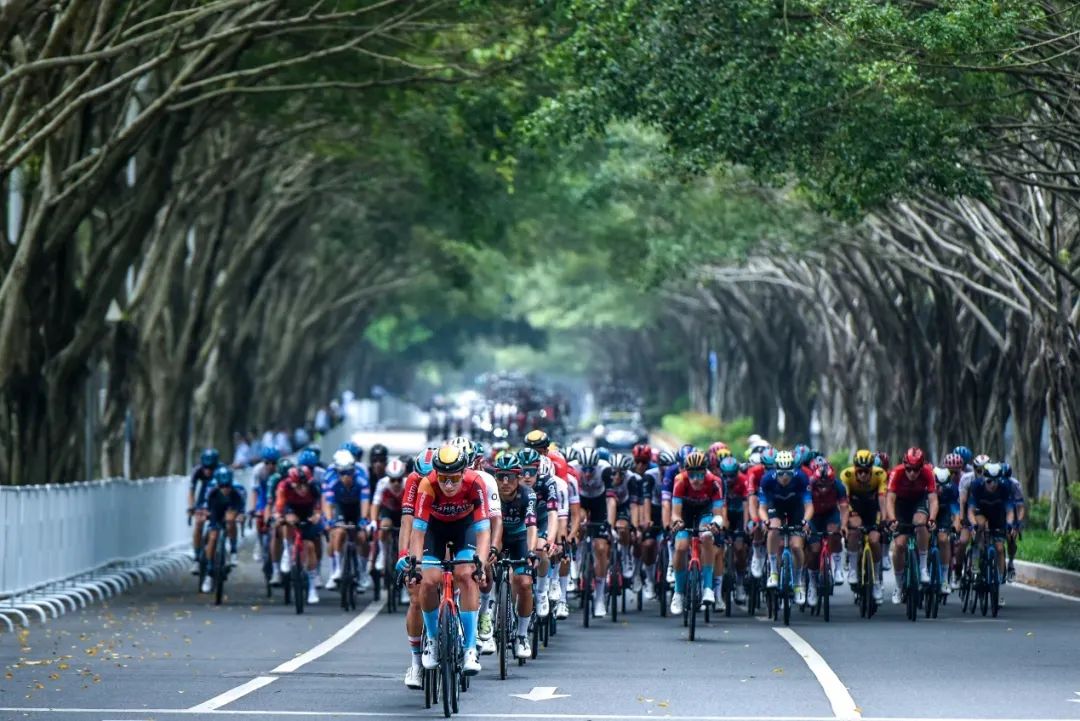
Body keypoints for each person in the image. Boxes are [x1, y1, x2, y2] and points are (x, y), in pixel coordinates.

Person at [410, 445, 490, 676]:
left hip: (464, 529)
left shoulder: (476, 484)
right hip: (435, 529)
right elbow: (418, 531)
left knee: (467, 575)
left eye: (454, 479)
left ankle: (469, 649)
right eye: (443, 478)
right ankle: (433, 641)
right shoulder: (427, 485)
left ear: (463, 472)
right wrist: (414, 565)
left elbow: (484, 531)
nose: (448, 485)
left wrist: (481, 564)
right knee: (427, 580)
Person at [493, 452, 539, 659]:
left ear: (518, 478)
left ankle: (521, 635)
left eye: (510, 477)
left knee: (525, 583)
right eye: (501, 476)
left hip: (520, 538)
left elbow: (531, 525)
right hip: (498, 536)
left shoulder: (528, 494)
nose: (505, 482)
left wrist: (530, 551)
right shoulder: (490, 493)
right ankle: (488, 611)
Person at [669, 451, 726, 614]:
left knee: (707, 537)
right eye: (692, 475)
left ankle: (708, 588)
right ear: (687, 472)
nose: (695, 479)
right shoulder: (679, 480)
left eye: (700, 475)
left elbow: (718, 514)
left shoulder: (714, 482)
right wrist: (678, 522)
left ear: (705, 472)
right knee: (680, 546)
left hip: (705, 512)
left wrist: (716, 524)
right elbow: (675, 513)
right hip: (685, 513)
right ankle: (678, 593)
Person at [758, 450, 812, 605]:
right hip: (776, 507)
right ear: (776, 471)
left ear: (793, 470)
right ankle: (774, 571)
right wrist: (765, 521)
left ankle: (798, 583)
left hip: (796, 509)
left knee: (796, 546)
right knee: (773, 528)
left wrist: (805, 521)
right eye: (781, 473)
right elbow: (762, 507)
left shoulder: (801, 477)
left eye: (788, 473)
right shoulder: (767, 479)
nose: (785, 477)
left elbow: (809, 506)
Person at [885, 447, 939, 604]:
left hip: (918, 501)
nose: (912, 473)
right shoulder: (897, 472)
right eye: (909, 469)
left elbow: (934, 500)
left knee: (921, 523)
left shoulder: (928, 472)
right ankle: (900, 585)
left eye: (916, 470)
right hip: (900, 505)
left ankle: (923, 567)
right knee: (899, 546)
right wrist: (893, 519)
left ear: (922, 467)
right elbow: (890, 500)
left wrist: (933, 519)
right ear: (904, 465)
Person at [839, 449, 886, 603]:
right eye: (860, 472)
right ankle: (853, 568)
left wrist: (884, 520)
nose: (863, 475)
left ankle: (877, 580)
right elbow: (844, 504)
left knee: (874, 540)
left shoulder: (880, 475)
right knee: (854, 531)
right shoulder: (847, 475)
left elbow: (882, 501)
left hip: (873, 510)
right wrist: (845, 523)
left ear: (872, 469)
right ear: (855, 469)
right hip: (855, 509)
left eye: (866, 472)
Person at [274, 466, 324, 605]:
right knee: (286, 524)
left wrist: (317, 515)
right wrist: (279, 517)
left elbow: (320, 505)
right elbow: (279, 506)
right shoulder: (284, 486)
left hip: (307, 511)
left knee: (309, 546)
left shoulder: (314, 487)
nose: (302, 489)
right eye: (298, 485)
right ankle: (288, 549)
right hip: (290, 508)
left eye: (304, 485)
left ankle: (312, 586)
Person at [323, 450, 372, 592]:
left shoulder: (361, 478)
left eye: (349, 472)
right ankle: (337, 569)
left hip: (356, 507)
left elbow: (365, 501)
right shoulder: (330, 478)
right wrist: (329, 520)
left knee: (362, 536)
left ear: (353, 470)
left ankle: (362, 572)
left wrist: (363, 520)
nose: (346, 477)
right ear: (337, 472)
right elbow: (328, 503)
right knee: (338, 532)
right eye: (342, 473)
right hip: (340, 506)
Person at [805, 459, 848, 607]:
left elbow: (843, 507)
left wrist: (843, 525)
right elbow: (802, 506)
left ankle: (837, 567)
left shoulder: (838, 486)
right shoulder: (808, 485)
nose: (823, 489)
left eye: (827, 485)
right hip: (813, 516)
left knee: (834, 532)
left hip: (830, 514)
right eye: (820, 485)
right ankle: (811, 584)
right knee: (814, 549)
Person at [201, 467, 245, 593]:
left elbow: (241, 511)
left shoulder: (237, 492)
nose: (225, 489)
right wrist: (204, 514)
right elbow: (206, 508)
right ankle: (209, 572)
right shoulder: (212, 492)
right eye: (222, 486)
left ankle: (233, 551)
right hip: (216, 511)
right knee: (213, 536)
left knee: (231, 521)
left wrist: (241, 516)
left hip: (230, 510)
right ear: (218, 485)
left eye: (227, 486)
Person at [188, 449, 222, 574]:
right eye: (206, 467)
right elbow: (191, 491)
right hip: (203, 498)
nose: (208, 471)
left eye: (211, 468)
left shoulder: (221, 471)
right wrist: (192, 507)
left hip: (218, 499)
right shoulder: (197, 471)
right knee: (198, 523)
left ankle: (222, 548)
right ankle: (196, 559)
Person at [371, 458, 407, 574]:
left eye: (399, 480)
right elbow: (375, 504)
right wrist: (373, 521)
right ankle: (383, 553)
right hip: (389, 512)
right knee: (384, 526)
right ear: (388, 478)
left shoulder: (409, 483)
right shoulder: (382, 483)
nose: (396, 483)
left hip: (404, 512)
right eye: (392, 480)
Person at [249, 447, 279, 563]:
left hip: (277, 495)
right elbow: (255, 491)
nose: (270, 466)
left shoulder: (280, 470)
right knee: (259, 518)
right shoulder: (258, 470)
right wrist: (253, 508)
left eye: (273, 463)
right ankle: (260, 542)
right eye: (267, 463)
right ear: (263, 462)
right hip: (263, 495)